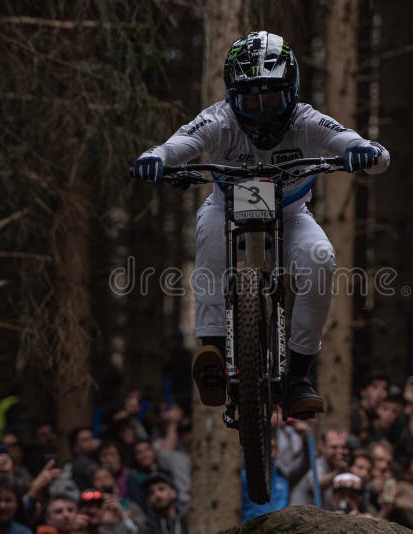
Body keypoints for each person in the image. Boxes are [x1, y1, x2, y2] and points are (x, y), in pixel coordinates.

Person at [132, 30, 391, 418]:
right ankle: (214, 352)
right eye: (249, 100)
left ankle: (299, 376)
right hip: (226, 207)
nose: (261, 111)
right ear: (231, 97)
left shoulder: (308, 120)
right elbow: (177, 144)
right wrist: (156, 158)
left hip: (290, 213)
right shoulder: (217, 119)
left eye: (271, 98)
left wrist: (364, 153)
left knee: (320, 258)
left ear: (293, 90)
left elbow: (368, 148)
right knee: (209, 236)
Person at [289, 428, 349, 508]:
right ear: (322, 446)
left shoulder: (334, 467)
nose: (340, 451)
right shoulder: (315, 463)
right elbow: (314, 485)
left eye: (343, 447)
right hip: (300, 516)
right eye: (334, 447)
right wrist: (337, 473)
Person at [350, 375, 389, 442]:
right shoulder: (355, 412)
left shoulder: (376, 415)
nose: (380, 393)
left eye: (384, 388)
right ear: (363, 391)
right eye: (375, 387)